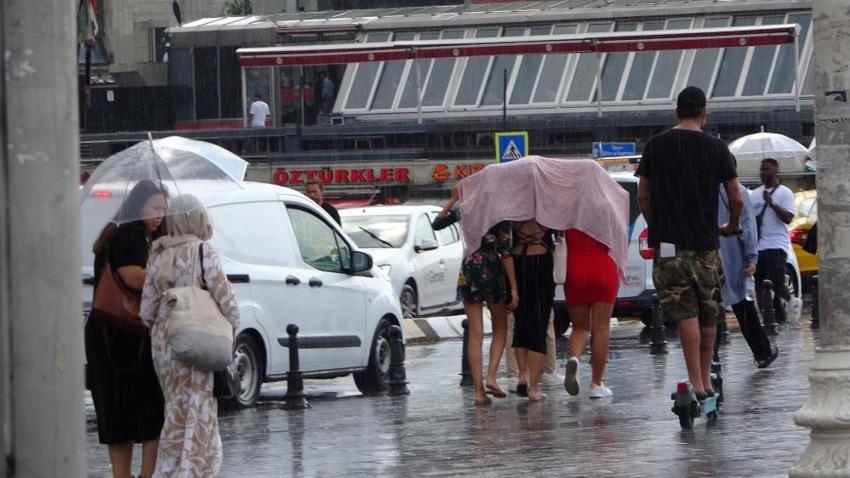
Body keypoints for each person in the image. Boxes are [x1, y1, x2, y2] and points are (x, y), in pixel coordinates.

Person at [637, 85, 743, 400]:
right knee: (708, 309)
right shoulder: (717, 148)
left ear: (676, 112)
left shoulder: (655, 146)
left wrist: (658, 224)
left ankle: (695, 381)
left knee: (684, 312)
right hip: (705, 243)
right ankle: (706, 384)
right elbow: (736, 196)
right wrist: (732, 225)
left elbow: (643, 194)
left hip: (669, 245)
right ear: (703, 112)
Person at [140, 194, 240, 477]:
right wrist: (231, 325)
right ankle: (193, 469)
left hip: (164, 343)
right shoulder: (202, 250)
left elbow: (145, 310)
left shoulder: (157, 254)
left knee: (175, 406)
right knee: (198, 408)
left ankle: (171, 468)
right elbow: (225, 297)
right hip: (196, 337)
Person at [85, 180, 167, 478]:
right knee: (149, 406)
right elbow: (133, 277)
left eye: (163, 208)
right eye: (155, 208)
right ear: (138, 207)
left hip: (106, 331)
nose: (160, 214)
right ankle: (144, 475)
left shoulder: (115, 231)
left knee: (116, 410)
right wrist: (167, 268)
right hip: (123, 334)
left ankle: (122, 475)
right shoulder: (132, 233)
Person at [433, 184, 518, 407]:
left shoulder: (464, 208)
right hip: (492, 269)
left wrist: (452, 199)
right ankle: (491, 377)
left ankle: (479, 392)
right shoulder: (502, 212)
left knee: (475, 334)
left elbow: (437, 224)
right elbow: (506, 252)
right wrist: (515, 288)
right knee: (500, 328)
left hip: (469, 268)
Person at [718, 183, 779, 368]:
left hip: (705, 256)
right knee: (742, 304)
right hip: (732, 257)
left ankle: (710, 362)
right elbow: (748, 227)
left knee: (707, 310)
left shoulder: (698, 186)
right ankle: (762, 352)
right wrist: (752, 258)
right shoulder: (737, 191)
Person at [562, 228, 621, 399]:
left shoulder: (569, 208)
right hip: (604, 267)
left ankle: (574, 358)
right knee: (601, 328)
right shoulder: (608, 205)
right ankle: (596, 383)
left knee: (579, 327)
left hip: (575, 270)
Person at [510, 220, 555, 401]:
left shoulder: (512, 200)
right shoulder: (544, 198)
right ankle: (534, 387)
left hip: (516, 258)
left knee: (520, 321)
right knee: (539, 322)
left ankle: (523, 377)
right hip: (540, 256)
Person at [750, 158, 796, 324]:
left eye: (767, 169)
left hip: (777, 244)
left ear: (776, 171)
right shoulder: (755, 194)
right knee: (760, 285)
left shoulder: (785, 193)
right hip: (759, 246)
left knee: (776, 282)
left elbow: (788, 218)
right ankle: (768, 317)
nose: (764, 172)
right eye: (762, 169)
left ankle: (792, 301)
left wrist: (772, 202)